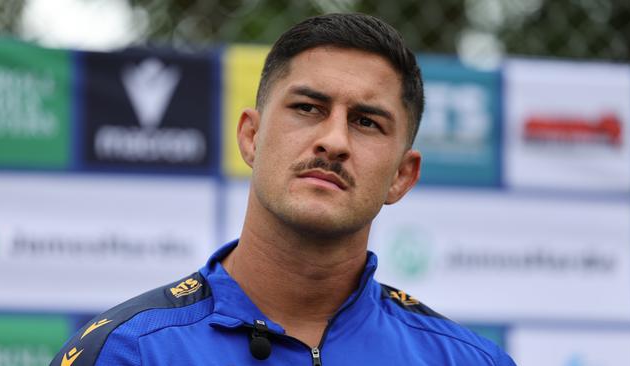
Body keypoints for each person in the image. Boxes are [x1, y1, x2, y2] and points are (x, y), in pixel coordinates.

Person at [51, 13, 516, 365]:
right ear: (251, 137)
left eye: (366, 122)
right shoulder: (127, 353)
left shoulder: (467, 359)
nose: (333, 141)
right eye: (309, 108)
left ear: (402, 176)